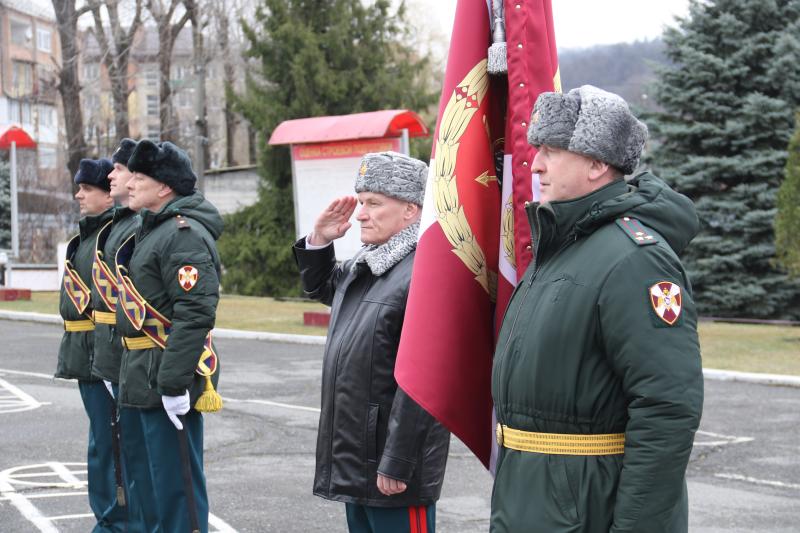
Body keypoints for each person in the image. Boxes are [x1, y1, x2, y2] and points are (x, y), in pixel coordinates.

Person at [490, 85, 704, 533]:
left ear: (597, 163)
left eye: (552, 150)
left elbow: (666, 408)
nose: (537, 163)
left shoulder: (635, 258)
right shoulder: (560, 247)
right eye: (538, 149)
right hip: (533, 501)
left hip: (586, 511)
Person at [293, 151, 450, 533]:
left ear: (411, 210)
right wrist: (319, 239)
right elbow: (322, 286)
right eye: (361, 201)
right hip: (359, 462)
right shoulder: (373, 262)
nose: (360, 213)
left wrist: (399, 460)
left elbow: (426, 381)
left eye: (373, 203)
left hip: (392, 468)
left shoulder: (425, 272)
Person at [114, 139, 224, 533]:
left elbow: (194, 313)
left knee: (176, 492)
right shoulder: (153, 230)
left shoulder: (183, 235)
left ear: (164, 187)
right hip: (141, 374)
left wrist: (175, 383)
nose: (129, 184)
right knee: (146, 488)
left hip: (165, 377)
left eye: (139, 178)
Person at [90, 138, 162, 531]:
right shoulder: (119, 225)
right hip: (115, 353)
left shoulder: (139, 226)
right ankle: (118, 522)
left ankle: (125, 524)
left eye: (117, 169)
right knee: (117, 452)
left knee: (143, 463)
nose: (110, 175)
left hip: (140, 357)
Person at [55, 157, 123, 530]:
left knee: (112, 447)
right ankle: (107, 518)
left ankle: (116, 522)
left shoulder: (111, 236)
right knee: (101, 445)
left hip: (103, 355)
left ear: (108, 195)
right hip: (85, 354)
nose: (78, 194)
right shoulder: (88, 236)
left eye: (87, 189)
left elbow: (112, 306)